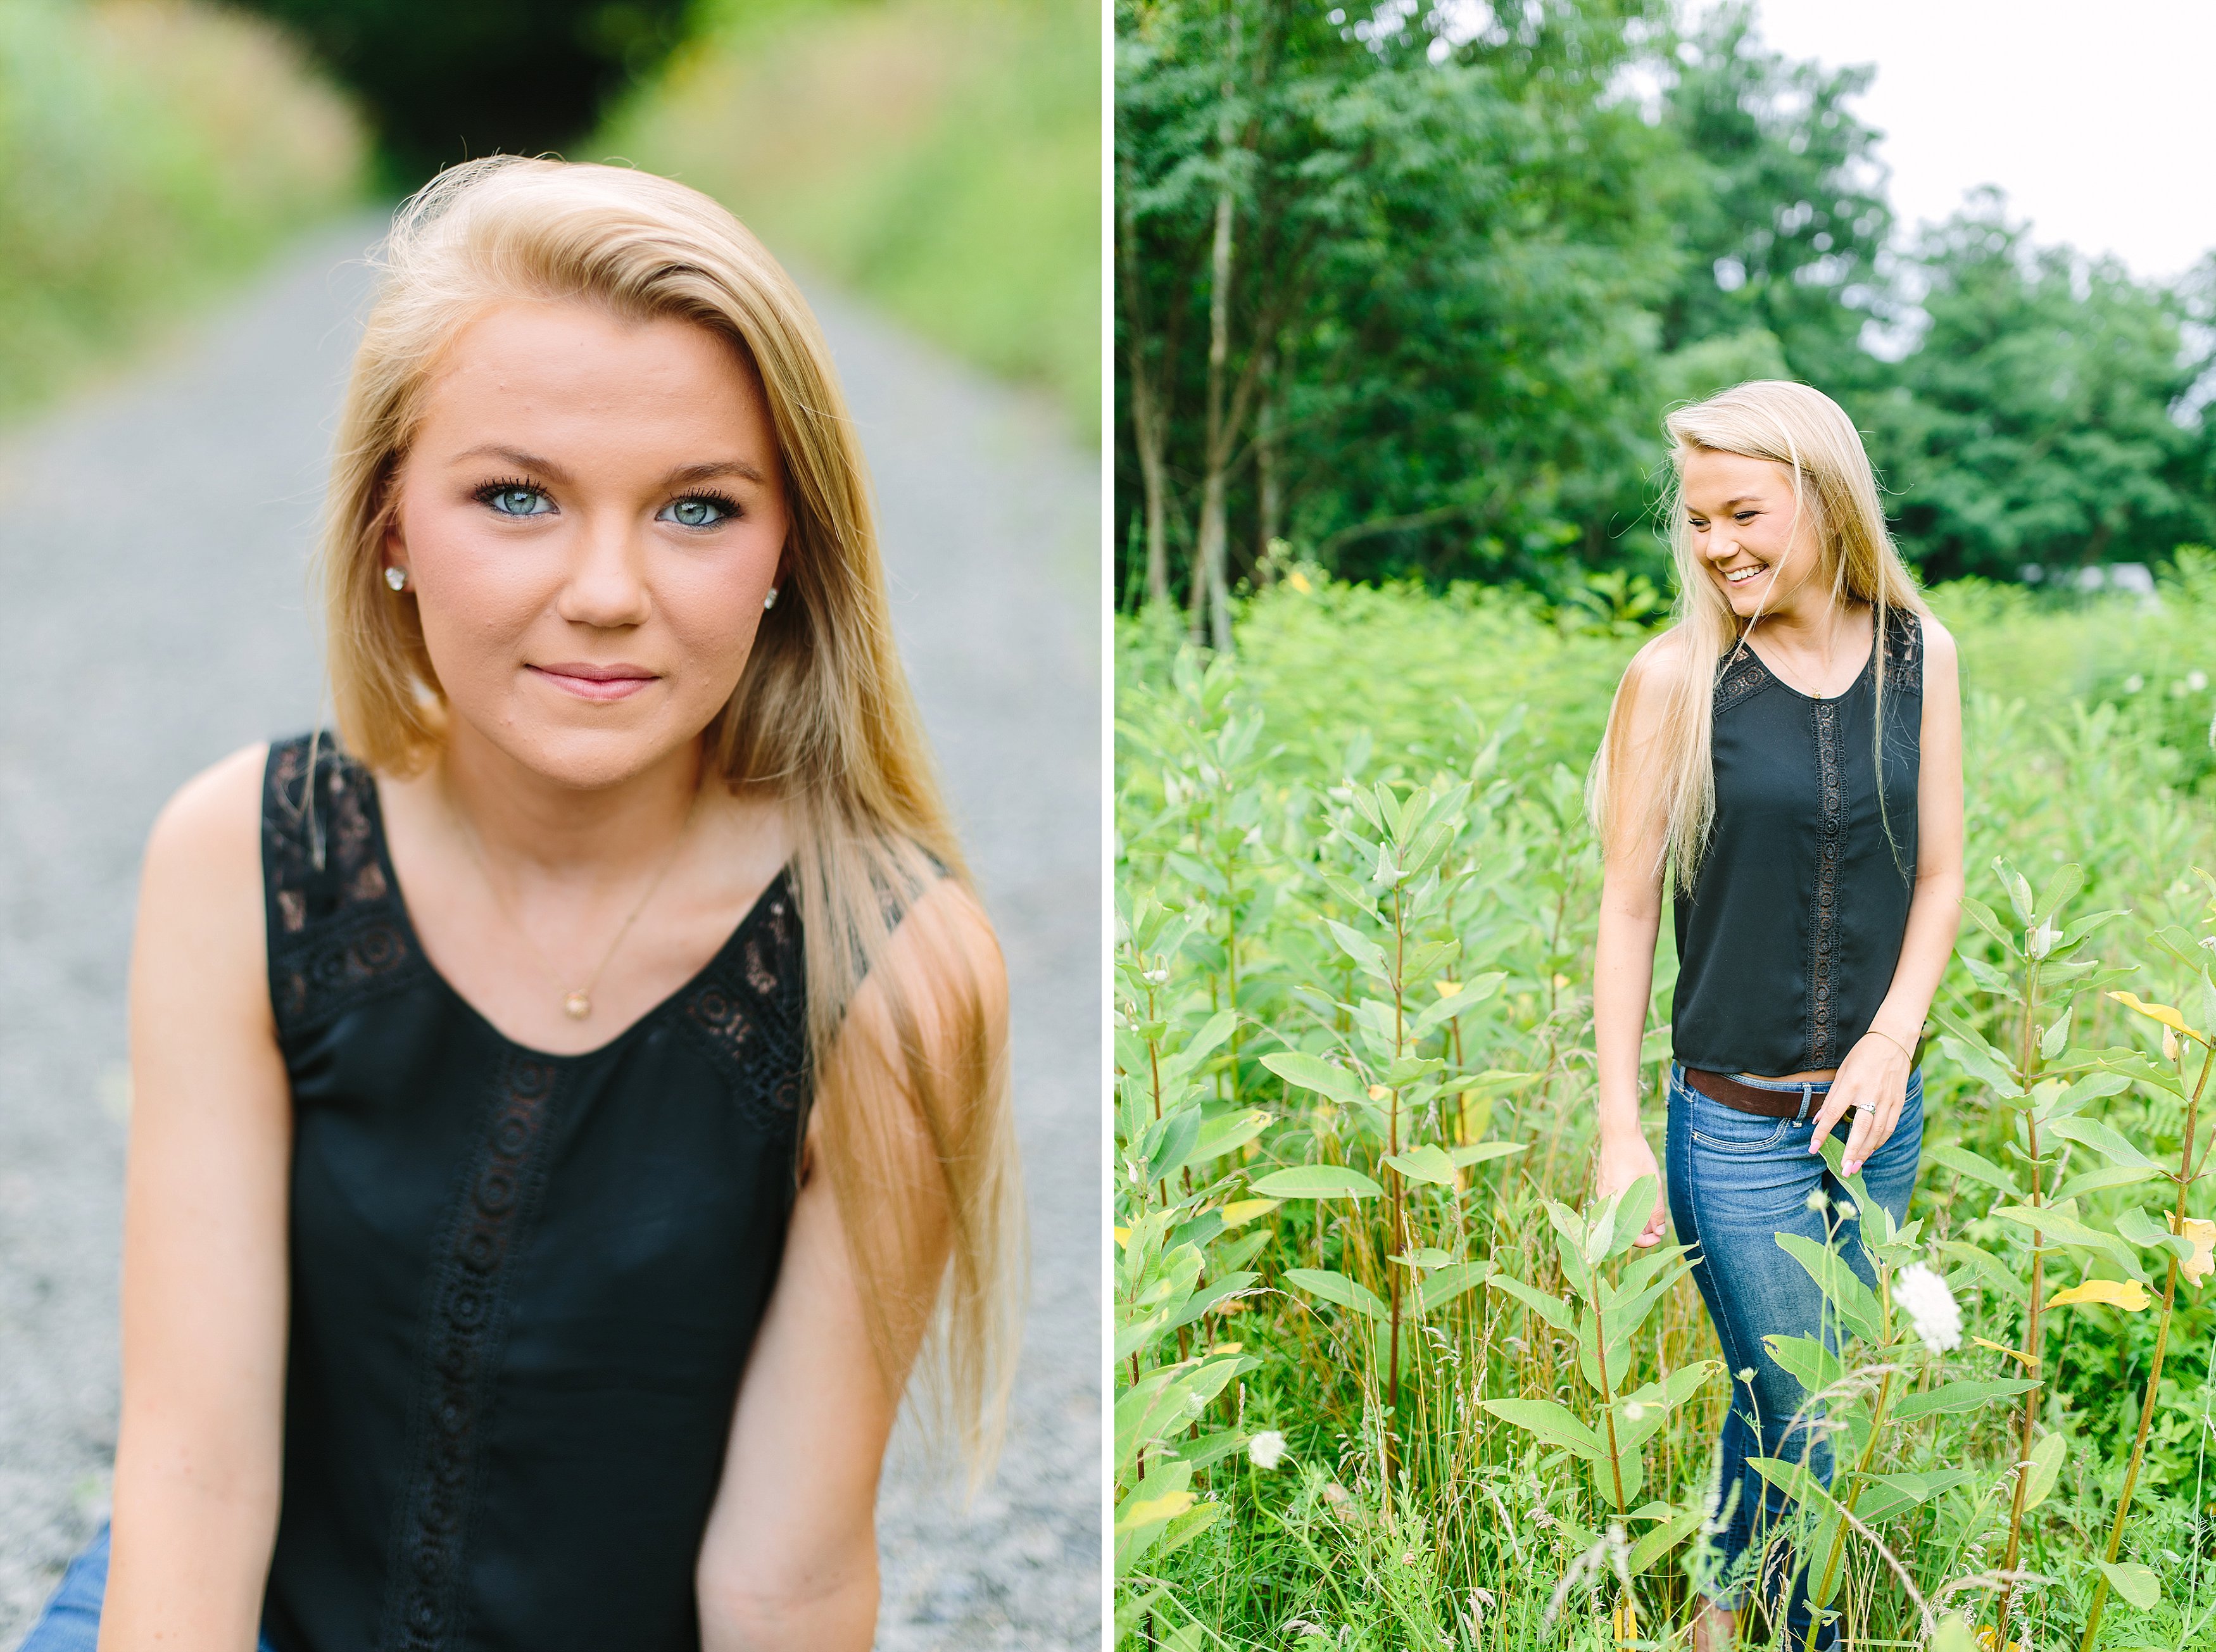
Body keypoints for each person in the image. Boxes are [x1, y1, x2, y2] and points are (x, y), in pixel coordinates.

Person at [22, 156, 1020, 1652]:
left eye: (696, 509)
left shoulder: (894, 970)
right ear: (391, 529)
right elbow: (193, 1473)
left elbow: (785, 1580)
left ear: (787, 557)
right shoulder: (243, 855)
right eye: (515, 497)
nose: (607, 588)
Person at [1587, 381, 1963, 1649]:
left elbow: (1941, 871)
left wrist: (1891, 1037)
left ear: (1823, 498)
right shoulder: (1675, 679)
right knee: (1799, 1408)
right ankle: (1801, 1634)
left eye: (1741, 512)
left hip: (1874, 1119)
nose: (1715, 546)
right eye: (1696, 521)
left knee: (1810, 1404)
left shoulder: (1921, 656)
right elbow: (1628, 908)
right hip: (1731, 1129)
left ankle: (1710, 1619)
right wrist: (1617, 1131)